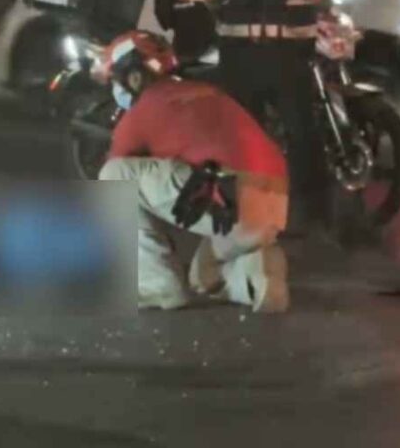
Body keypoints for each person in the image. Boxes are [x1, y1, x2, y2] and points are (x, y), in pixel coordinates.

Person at [95, 31, 291, 313]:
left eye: (116, 78)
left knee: (113, 175)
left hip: (231, 202)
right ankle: (255, 276)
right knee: (203, 277)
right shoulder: (208, 92)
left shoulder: (143, 107)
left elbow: (114, 176)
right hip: (273, 207)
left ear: (135, 76)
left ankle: (157, 286)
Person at [201, 0, 330, 234]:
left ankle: (312, 217)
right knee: (243, 140)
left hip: (288, 52)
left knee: (303, 134)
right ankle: (250, 215)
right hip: (239, 55)